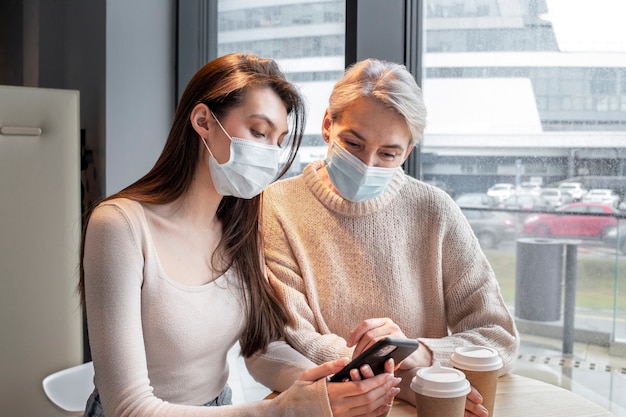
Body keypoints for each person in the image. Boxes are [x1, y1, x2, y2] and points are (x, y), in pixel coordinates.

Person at [78, 53, 402, 417]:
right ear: (203, 121)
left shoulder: (239, 225)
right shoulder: (119, 226)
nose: (269, 154)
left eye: (277, 141)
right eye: (259, 132)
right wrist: (284, 410)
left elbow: (259, 349)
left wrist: (335, 383)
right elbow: (128, 407)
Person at [249, 58, 519, 417]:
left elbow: (497, 336)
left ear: (407, 152)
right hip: (332, 408)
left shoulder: (434, 210)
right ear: (328, 125)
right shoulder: (276, 206)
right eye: (353, 144)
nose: (367, 165)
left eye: (388, 153)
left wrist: (420, 353)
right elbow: (291, 335)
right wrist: (398, 374)